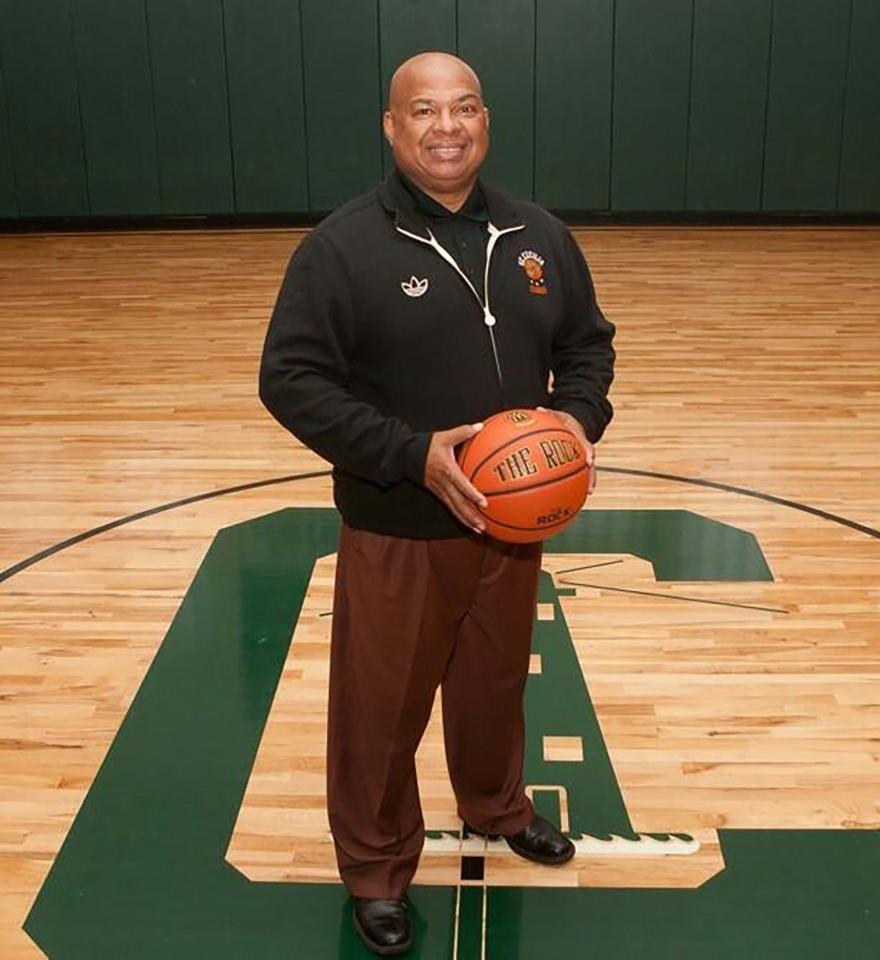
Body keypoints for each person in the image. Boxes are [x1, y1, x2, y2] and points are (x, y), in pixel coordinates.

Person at [259, 51, 615, 956]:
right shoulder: (341, 249)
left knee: (495, 686)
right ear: (392, 127)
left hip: (510, 525)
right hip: (401, 522)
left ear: (486, 120)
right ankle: (376, 868)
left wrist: (574, 425)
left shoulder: (537, 235)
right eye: (424, 110)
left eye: (463, 108)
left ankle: (496, 807)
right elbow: (291, 380)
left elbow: (587, 345)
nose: (446, 126)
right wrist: (412, 455)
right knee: (382, 711)